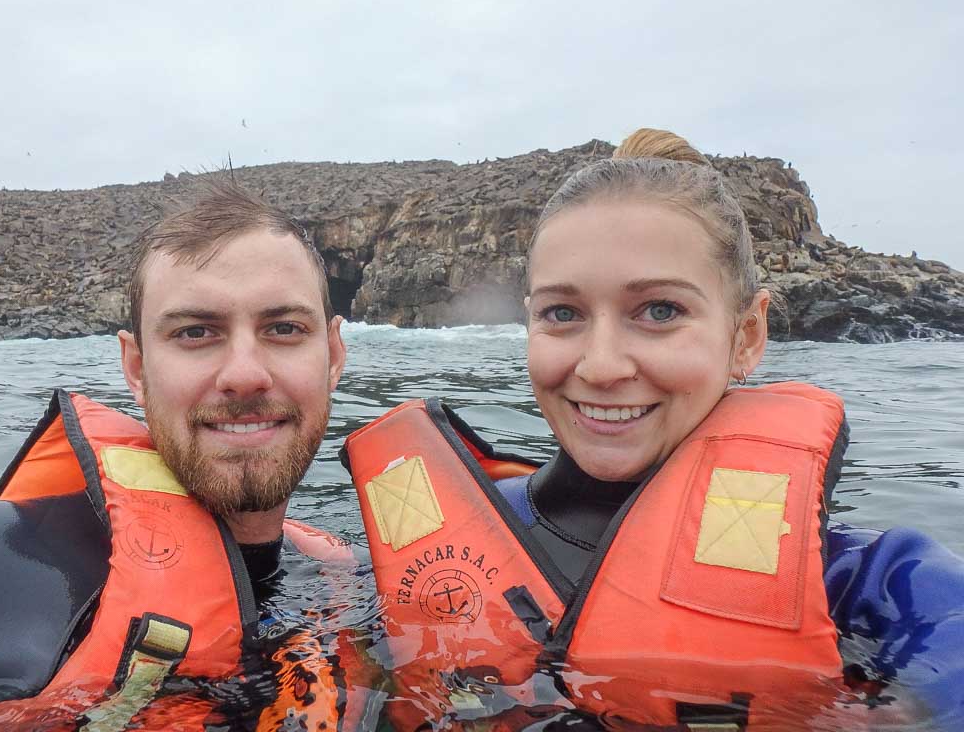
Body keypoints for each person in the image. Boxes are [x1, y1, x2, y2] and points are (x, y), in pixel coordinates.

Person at [344, 129, 964, 730]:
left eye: (660, 311)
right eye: (563, 313)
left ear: (746, 335)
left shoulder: (875, 585)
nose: (602, 366)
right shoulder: (409, 562)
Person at [0, 181, 357, 730]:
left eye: (283, 329)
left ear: (332, 355)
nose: (245, 375)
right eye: (196, 333)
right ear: (137, 369)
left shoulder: (348, 580)